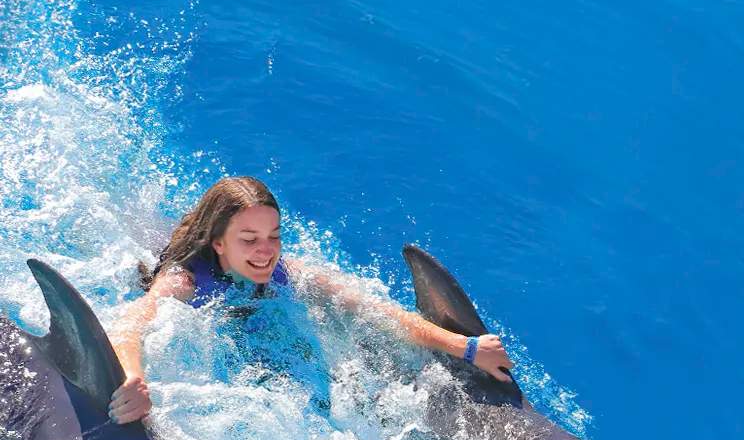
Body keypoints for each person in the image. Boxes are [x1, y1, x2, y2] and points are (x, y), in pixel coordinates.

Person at [108, 175, 512, 424]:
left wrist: (467, 346)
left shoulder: (288, 271)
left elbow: (375, 311)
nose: (266, 251)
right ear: (218, 243)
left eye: (274, 237)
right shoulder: (184, 283)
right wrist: (133, 378)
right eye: (249, 240)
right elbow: (130, 323)